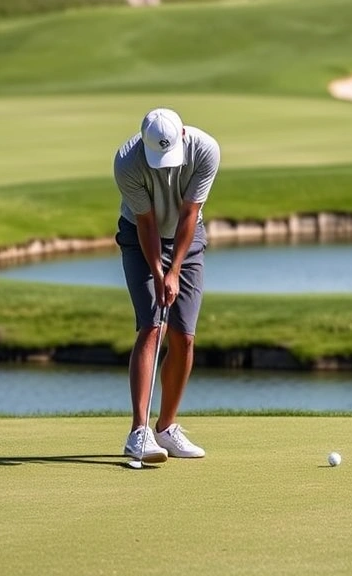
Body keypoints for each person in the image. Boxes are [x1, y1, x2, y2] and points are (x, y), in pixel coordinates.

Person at [113, 107, 220, 463]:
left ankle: (166, 428)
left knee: (184, 335)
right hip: (140, 236)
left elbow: (190, 214)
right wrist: (159, 275)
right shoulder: (127, 163)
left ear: (183, 135)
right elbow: (145, 223)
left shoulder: (205, 150)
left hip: (187, 240)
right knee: (151, 325)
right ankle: (138, 433)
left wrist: (174, 270)